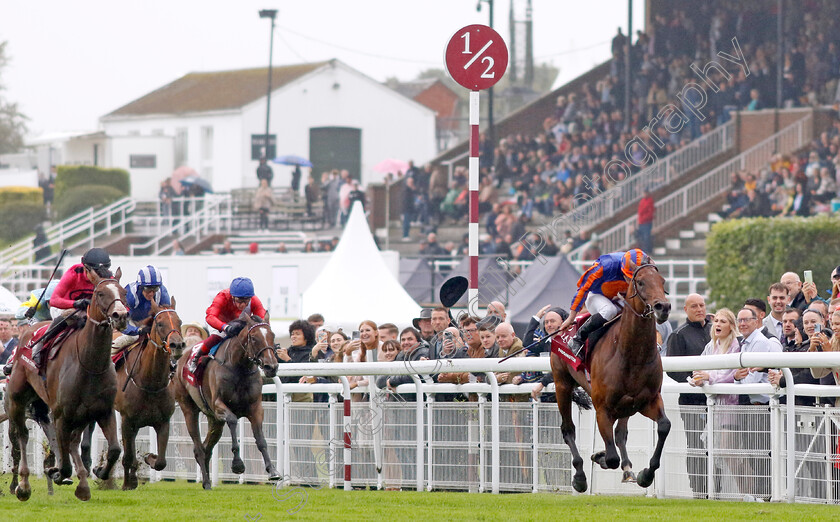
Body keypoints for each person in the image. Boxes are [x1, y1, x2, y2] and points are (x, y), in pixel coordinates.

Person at [26, 247, 112, 370]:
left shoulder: (108, 277)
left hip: (90, 311)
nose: (99, 276)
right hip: (65, 308)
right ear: (85, 268)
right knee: (72, 315)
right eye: (96, 271)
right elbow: (55, 300)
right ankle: (40, 346)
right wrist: (75, 303)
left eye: (103, 271)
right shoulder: (74, 273)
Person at [688, 308, 741, 497]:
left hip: (731, 406)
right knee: (720, 453)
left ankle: (751, 493)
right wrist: (698, 378)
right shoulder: (712, 345)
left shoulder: (735, 345)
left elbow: (730, 374)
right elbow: (700, 367)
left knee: (730, 453)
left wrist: (708, 376)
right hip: (715, 406)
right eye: (716, 320)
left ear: (731, 326)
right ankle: (722, 493)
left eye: (723, 321)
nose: (717, 324)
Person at [561, 249, 651, 357]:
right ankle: (578, 338)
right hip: (596, 296)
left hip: (619, 297)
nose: (629, 281)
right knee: (610, 310)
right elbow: (583, 289)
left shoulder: (648, 265)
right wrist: (571, 318)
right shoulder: (606, 265)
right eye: (627, 276)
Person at [665, 293, 711, 499]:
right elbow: (673, 370)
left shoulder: (714, 330)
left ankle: (716, 488)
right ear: (686, 310)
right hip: (692, 401)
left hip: (715, 399)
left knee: (715, 444)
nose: (699, 309)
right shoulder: (678, 335)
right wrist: (692, 381)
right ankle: (699, 490)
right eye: (694, 306)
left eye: (702, 305)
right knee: (696, 446)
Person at [733, 307, 781, 501]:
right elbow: (743, 378)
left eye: (746, 320)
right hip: (753, 405)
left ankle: (766, 494)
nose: (742, 324)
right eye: (740, 321)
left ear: (756, 321)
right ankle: (762, 494)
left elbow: (750, 382)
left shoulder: (759, 342)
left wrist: (737, 379)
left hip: (760, 406)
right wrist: (737, 378)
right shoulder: (746, 343)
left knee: (762, 454)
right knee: (754, 453)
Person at [188, 277, 267, 373]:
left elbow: (262, 323)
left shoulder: (254, 300)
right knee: (218, 336)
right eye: (239, 300)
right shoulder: (222, 296)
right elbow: (210, 317)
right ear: (232, 296)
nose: (242, 305)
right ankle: (196, 358)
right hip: (219, 322)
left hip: (239, 322)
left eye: (246, 301)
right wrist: (225, 327)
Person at [113, 265, 172, 352]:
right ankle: (110, 357)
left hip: (151, 321)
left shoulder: (162, 293)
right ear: (140, 287)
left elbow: (167, 318)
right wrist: (138, 330)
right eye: (148, 289)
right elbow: (122, 323)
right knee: (132, 338)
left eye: (155, 288)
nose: (152, 293)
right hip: (130, 320)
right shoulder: (130, 295)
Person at [636, 188, 654, 253]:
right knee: (642, 238)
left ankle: (648, 251)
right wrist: (639, 221)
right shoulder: (642, 201)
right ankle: (643, 251)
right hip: (641, 223)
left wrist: (644, 219)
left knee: (646, 237)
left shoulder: (650, 201)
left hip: (647, 223)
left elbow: (650, 213)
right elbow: (640, 212)